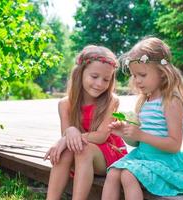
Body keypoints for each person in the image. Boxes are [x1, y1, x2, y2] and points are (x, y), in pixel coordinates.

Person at [102, 37, 183, 200]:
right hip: (142, 156)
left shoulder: (171, 102)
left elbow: (174, 145)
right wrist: (124, 133)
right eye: (134, 76)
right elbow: (138, 142)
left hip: (164, 161)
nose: (137, 81)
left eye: (142, 75)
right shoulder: (144, 101)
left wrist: (141, 135)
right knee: (113, 172)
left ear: (162, 71)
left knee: (127, 175)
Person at [44, 45, 127, 200]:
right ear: (80, 73)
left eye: (106, 79)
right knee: (64, 151)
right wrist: (67, 135)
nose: (100, 84)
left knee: (83, 149)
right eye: (94, 77)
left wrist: (70, 135)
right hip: (81, 153)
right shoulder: (65, 104)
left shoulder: (111, 101)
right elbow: (67, 136)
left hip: (109, 155)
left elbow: (102, 136)